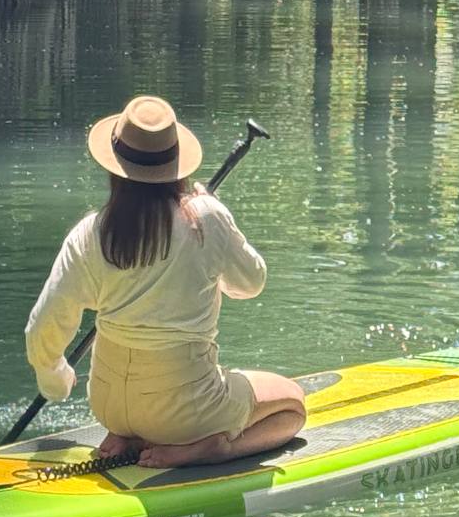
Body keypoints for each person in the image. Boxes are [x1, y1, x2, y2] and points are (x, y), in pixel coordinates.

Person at [25, 93, 307, 470]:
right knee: (293, 406)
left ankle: (132, 433)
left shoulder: (89, 233)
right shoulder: (206, 218)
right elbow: (251, 282)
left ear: (116, 166)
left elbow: (41, 329)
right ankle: (212, 449)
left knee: (139, 395)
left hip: (109, 408)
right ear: (176, 164)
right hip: (184, 414)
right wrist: (213, 215)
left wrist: (56, 380)